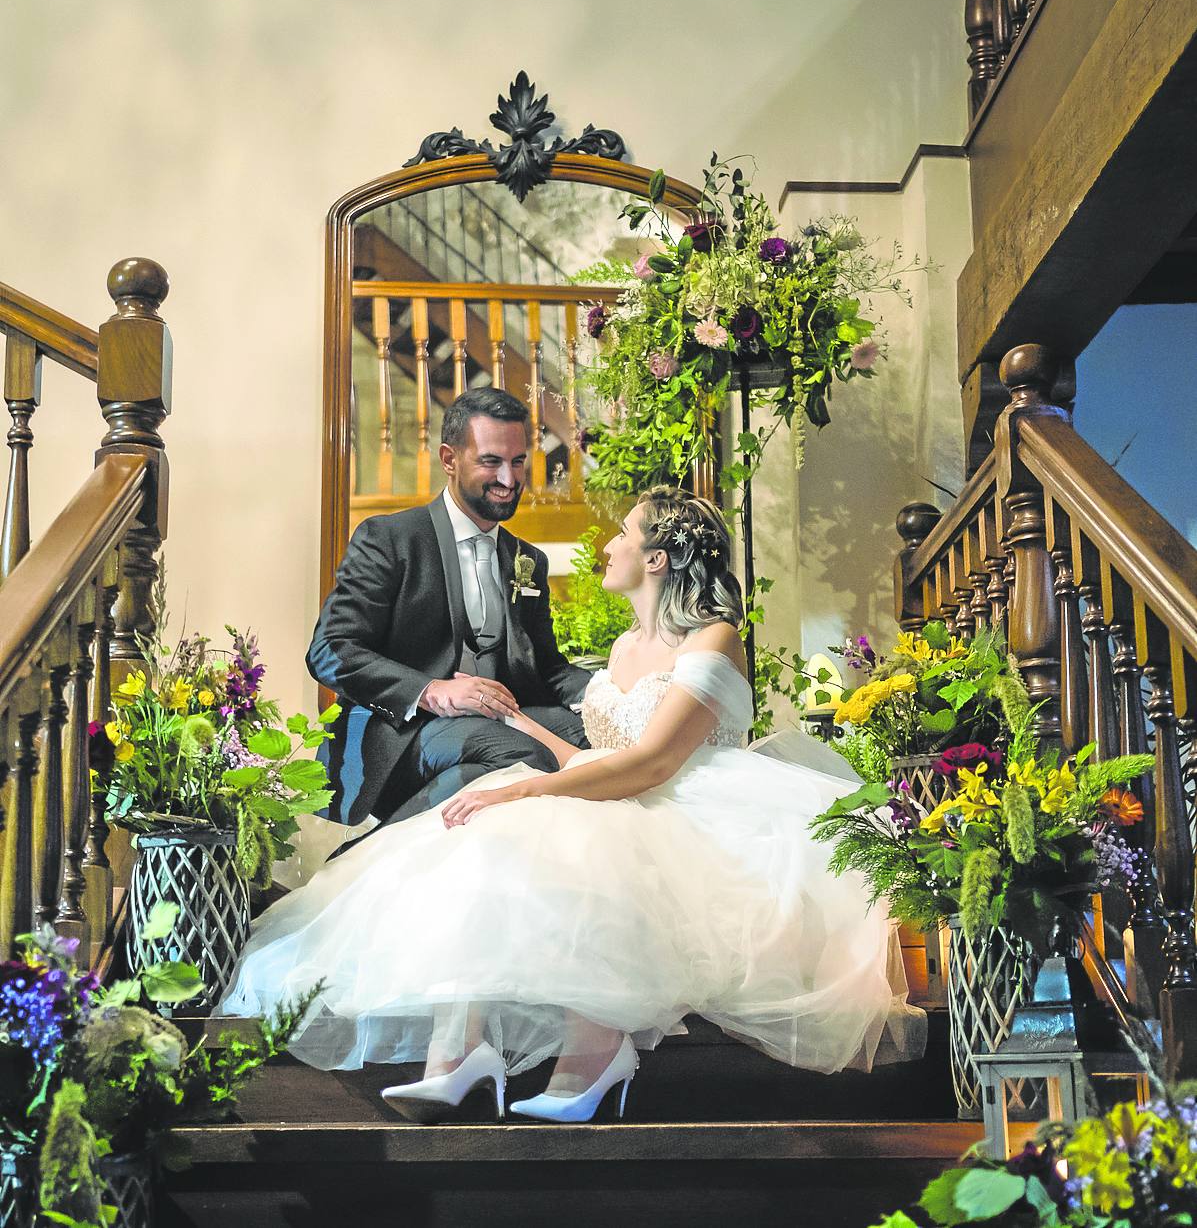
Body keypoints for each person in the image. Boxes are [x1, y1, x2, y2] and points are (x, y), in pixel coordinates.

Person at [219, 487, 923, 1122]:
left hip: (695, 804)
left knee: (577, 833)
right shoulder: (623, 647)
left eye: (623, 533)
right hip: (624, 791)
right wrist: (521, 732)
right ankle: (459, 1051)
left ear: (656, 557)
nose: (607, 545)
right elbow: (595, 756)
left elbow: (651, 762)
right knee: (492, 825)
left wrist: (527, 783)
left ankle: (591, 1055)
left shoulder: (714, 638)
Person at [306, 387, 591, 832]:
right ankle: (373, 850)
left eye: (518, 462)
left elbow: (548, 670)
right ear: (449, 458)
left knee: (593, 740)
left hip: (497, 723)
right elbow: (330, 650)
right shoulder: (390, 539)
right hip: (404, 734)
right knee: (522, 754)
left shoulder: (528, 561)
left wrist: (617, 692)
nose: (509, 479)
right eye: (491, 461)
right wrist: (431, 690)